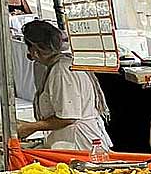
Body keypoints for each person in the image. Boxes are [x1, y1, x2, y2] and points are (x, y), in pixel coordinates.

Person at [14, 20, 112, 150]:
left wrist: (32, 127)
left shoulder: (62, 71)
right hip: (71, 141)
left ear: (35, 50)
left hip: (79, 143)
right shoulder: (61, 65)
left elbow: (68, 117)